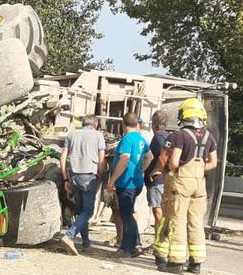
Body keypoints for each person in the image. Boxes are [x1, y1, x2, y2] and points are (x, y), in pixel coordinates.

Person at [155, 98, 218, 274]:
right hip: (200, 183)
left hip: (181, 183)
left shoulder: (178, 135)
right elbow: (213, 163)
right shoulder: (209, 136)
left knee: (177, 220)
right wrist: (197, 170)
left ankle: (176, 263)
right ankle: (196, 263)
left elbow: (174, 162)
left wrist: (169, 170)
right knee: (196, 222)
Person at [59, 115, 106, 256]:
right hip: (89, 176)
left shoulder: (71, 134)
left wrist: (66, 179)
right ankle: (70, 235)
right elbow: (101, 160)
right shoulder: (98, 135)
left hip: (73, 176)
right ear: (95, 124)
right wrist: (100, 175)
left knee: (81, 211)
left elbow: (62, 158)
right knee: (88, 211)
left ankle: (86, 243)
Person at [107, 112, 152, 257]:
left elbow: (124, 160)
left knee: (126, 215)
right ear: (137, 124)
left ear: (123, 124)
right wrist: (141, 170)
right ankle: (134, 245)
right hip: (137, 182)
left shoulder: (127, 139)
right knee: (129, 213)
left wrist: (112, 180)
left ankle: (129, 247)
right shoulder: (141, 139)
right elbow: (149, 157)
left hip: (126, 182)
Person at [145, 111, 172, 265]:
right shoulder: (169, 136)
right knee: (161, 211)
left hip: (157, 180)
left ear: (153, 124)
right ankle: (160, 242)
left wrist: (152, 170)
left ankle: (159, 243)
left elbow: (160, 156)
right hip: (165, 179)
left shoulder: (158, 138)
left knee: (157, 212)